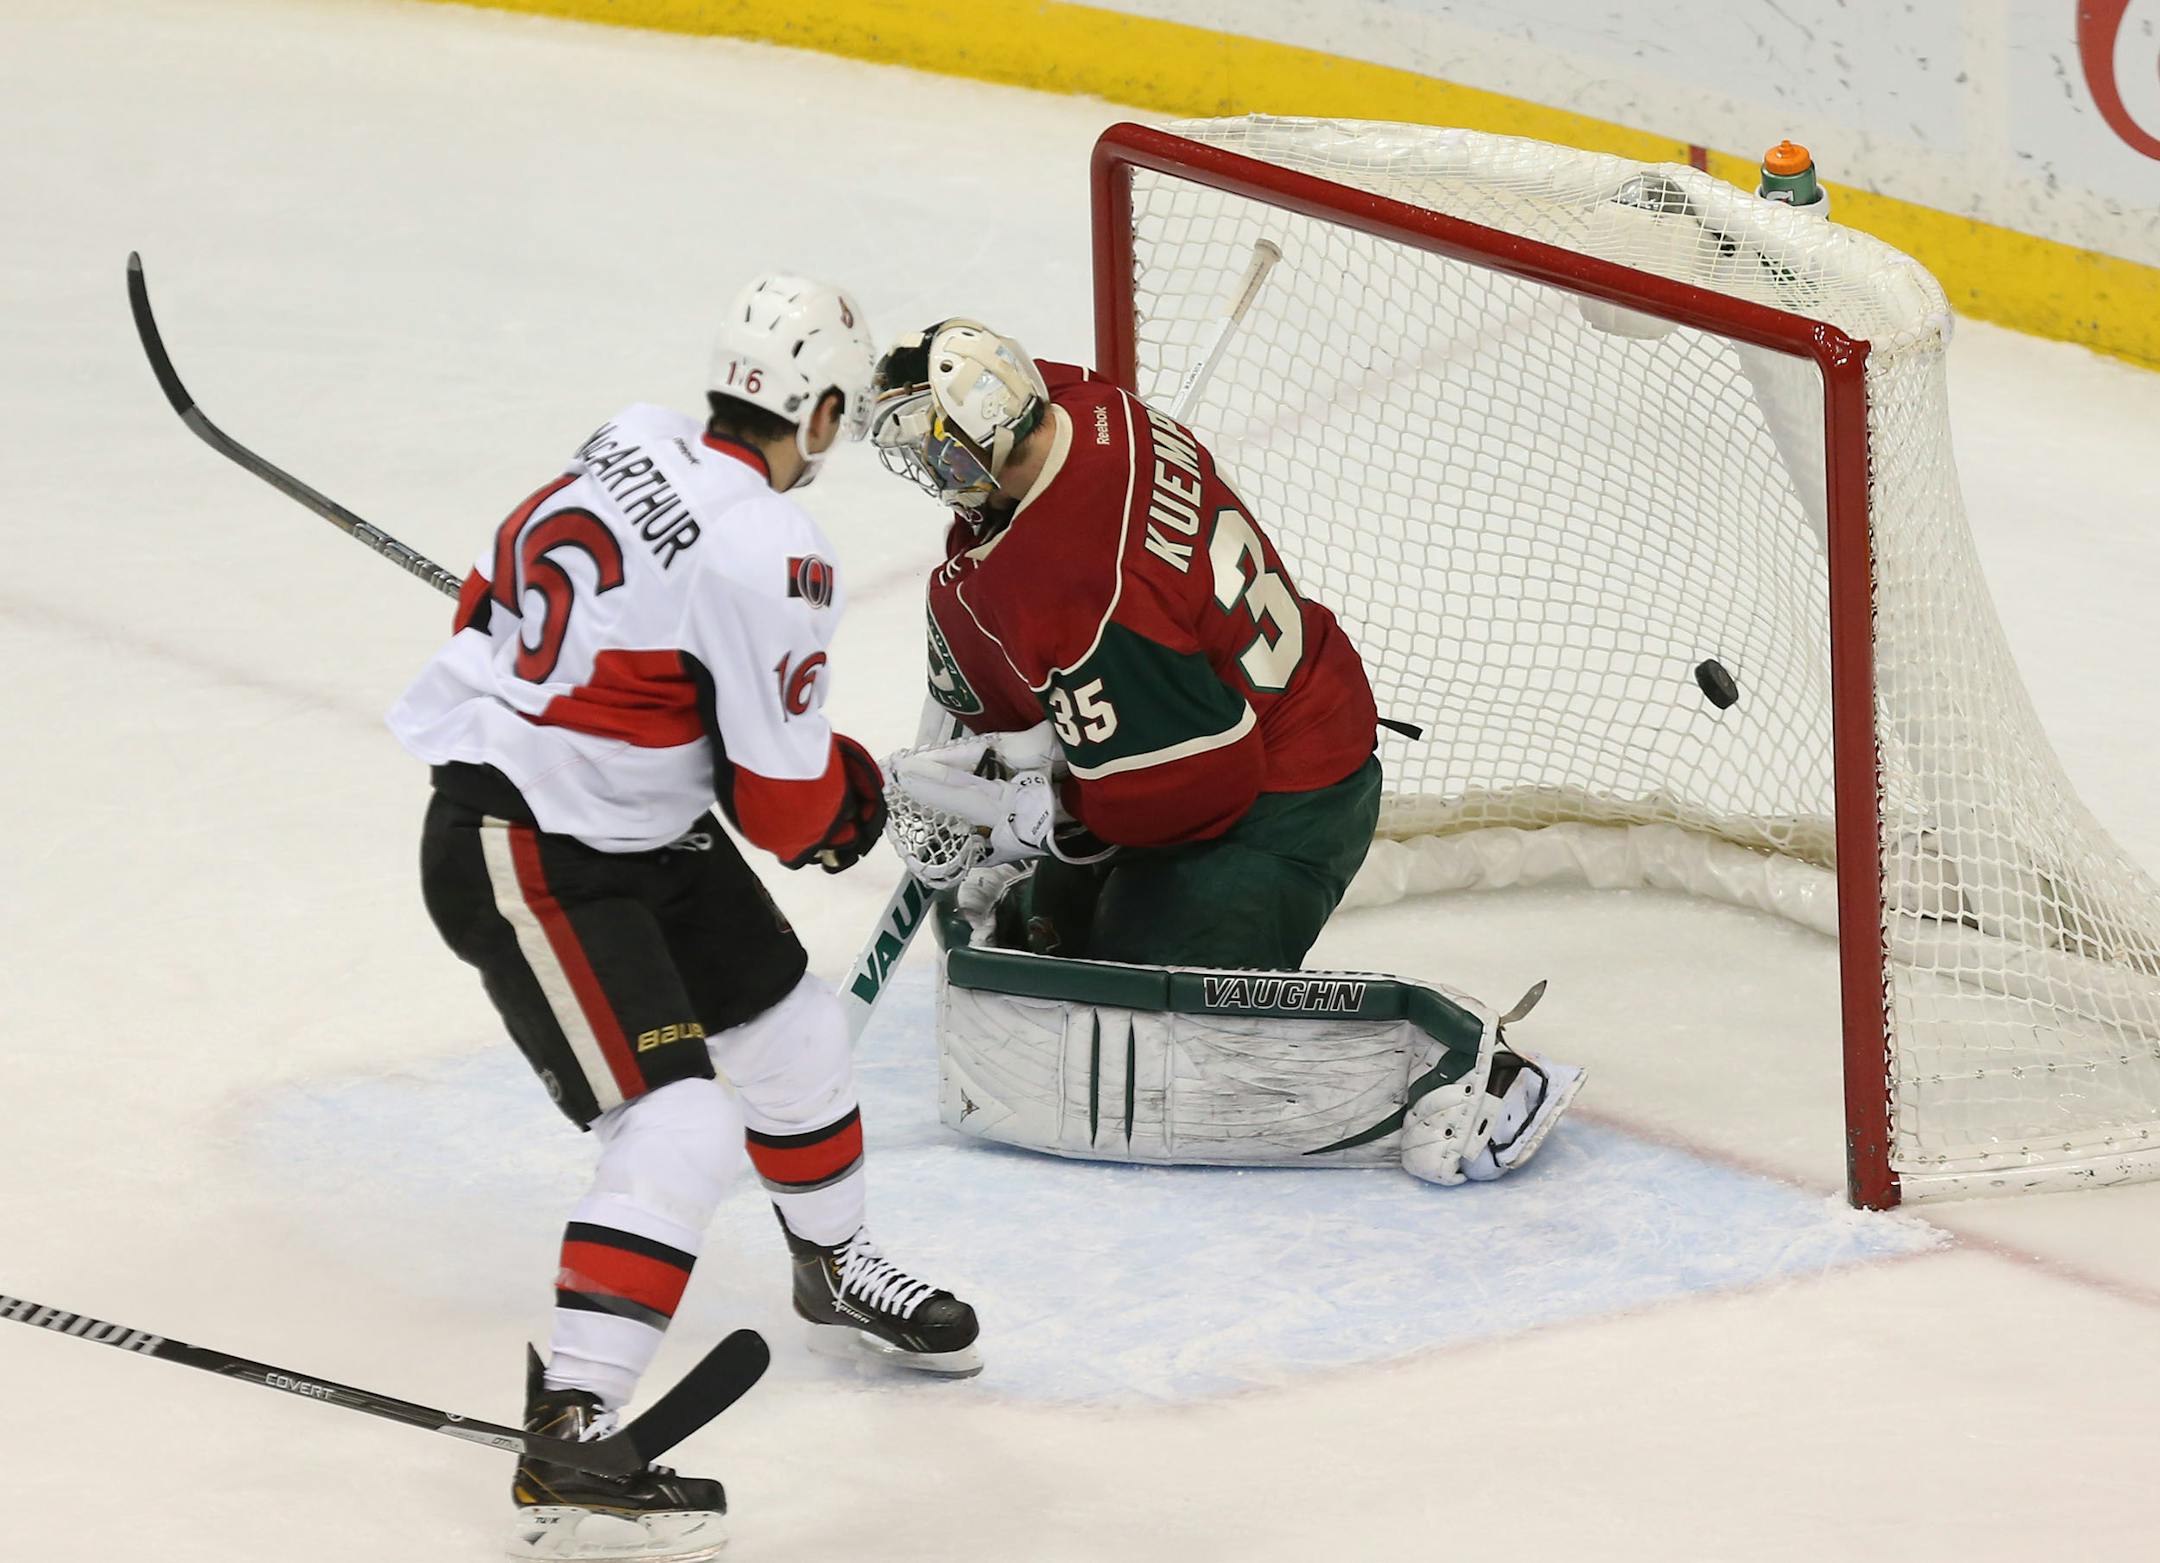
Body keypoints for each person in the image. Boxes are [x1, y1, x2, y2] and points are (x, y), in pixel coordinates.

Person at [387, 277, 979, 1563]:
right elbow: (782, 807)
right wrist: (848, 807)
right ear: (819, 412)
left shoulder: (624, 440)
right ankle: (574, 1432)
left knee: (796, 1033)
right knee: (684, 1120)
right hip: (528, 848)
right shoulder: (772, 546)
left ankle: (836, 1265)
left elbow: (483, 610)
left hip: (635, 824)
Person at [868, 318, 1581, 1184]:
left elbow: (1201, 784)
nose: (928, 476)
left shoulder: (1070, 583)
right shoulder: (1092, 406)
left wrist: (1049, 814)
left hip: (1281, 792)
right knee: (1032, 953)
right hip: (1215, 707)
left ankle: (1467, 1059)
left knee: (1158, 1029)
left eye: (936, 452)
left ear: (990, 427)